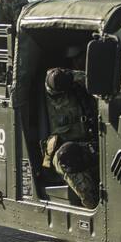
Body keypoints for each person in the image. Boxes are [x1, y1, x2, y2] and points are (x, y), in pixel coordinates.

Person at [43, 65, 99, 209]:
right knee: (67, 155)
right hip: (68, 151)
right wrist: (69, 77)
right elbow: (53, 80)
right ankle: (93, 204)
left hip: (95, 142)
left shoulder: (85, 91)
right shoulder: (56, 86)